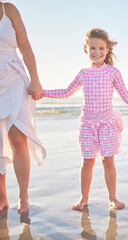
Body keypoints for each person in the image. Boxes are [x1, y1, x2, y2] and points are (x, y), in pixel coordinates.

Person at [39, 28, 128, 210]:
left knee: (108, 161)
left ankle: (113, 198)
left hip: (107, 124)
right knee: (87, 162)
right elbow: (67, 92)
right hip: (87, 125)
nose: (97, 52)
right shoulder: (84, 73)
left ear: (107, 50)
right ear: (86, 50)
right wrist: (43, 93)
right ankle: (84, 198)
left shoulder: (113, 72)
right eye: (93, 48)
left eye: (101, 48)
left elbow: (126, 95)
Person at [0, 2, 46, 214]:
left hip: (14, 79)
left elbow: (25, 46)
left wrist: (35, 80)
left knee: (18, 139)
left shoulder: (8, 9)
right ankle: (2, 198)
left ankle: (23, 196)